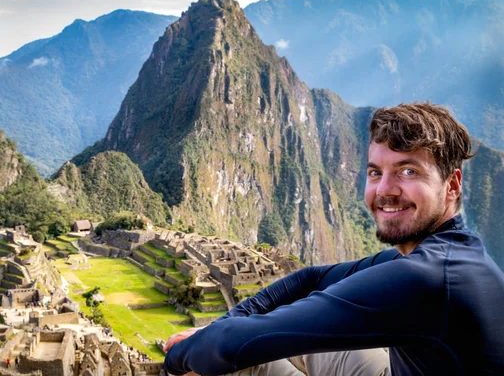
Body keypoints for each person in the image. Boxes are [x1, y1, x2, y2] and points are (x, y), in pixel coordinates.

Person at [163, 103, 504, 376]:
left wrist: (177, 358)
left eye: (408, 171)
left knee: (236, 363)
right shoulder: (449, 253)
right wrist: (221, 326)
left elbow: (227, 347)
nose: (384, 189)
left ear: (452, 185)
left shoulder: (425, 278)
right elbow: (310, 278)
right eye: (375, 172)